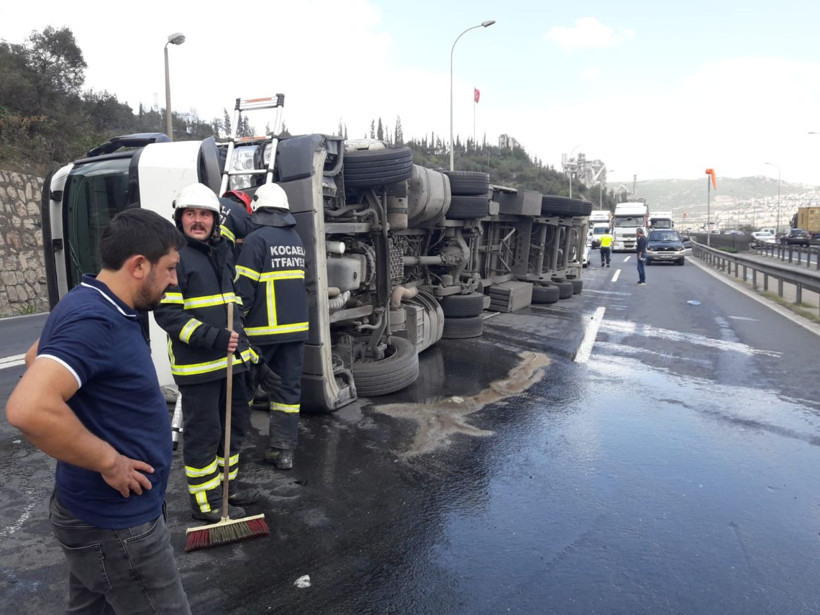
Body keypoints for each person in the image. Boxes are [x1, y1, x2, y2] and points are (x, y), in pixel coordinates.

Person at [5, 208, 192, 614]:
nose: (174, 280)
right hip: (116, 525)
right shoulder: (95, 318)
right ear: (139, 265)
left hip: (98, 518)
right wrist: (109, 461)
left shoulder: (90, 298)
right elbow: (27, 408)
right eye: (170, 268)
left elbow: (36, 357)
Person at [154, 183, 258, 522]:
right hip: (198, 369)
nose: (198, 220)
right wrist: (214, 338)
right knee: (204, 436)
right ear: (180, 218)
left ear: (214, 220)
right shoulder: (174, 258)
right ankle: (205, 502)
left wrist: (245, 349)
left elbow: (233, 305)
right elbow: (169, 316)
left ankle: (227, 489)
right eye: (191, 214)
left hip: (231, 363)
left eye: (204, 214)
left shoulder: (223, 252)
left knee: (233, 430)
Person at [236, 182, 309, 471]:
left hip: (261, 332)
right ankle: (284, 452)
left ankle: (234, 452)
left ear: (257, 208)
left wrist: (237, 319)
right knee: (287, 391)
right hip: (295, 330)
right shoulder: (296, 239)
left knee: (245, 390)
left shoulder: (256, 240)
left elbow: (244, 287)